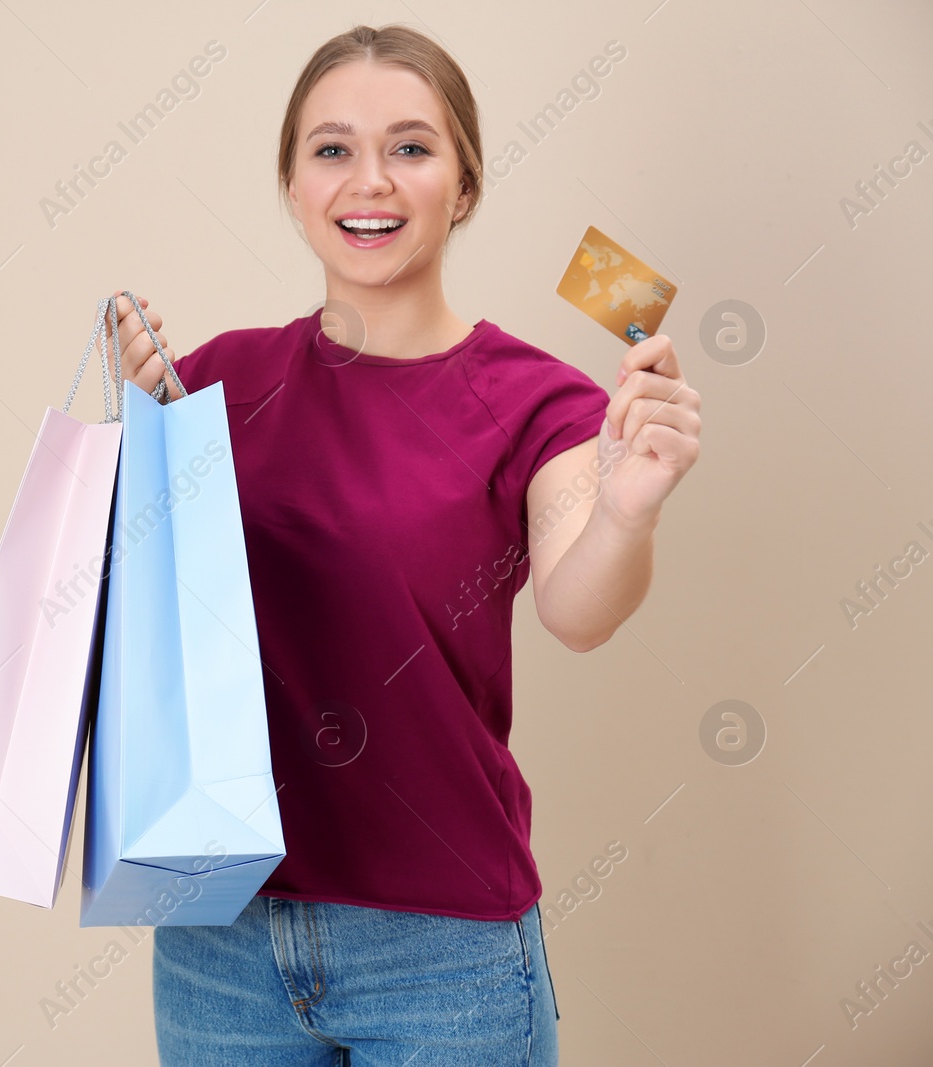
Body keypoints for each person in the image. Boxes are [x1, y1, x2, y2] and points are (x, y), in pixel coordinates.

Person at [101, 22, 702, 1067]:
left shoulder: (538, 400)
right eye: (330, 149)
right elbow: (161, 628)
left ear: (463, 186)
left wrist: (628, 505)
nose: (367, 180)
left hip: (442, 945)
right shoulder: (213, 382)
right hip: (217, 934)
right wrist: (149, 436)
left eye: (411, 147)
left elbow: (576, 609)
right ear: (291, 185)